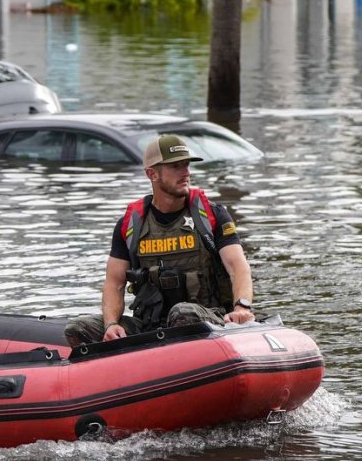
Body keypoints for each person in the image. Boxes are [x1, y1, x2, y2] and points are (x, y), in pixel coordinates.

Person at [64, 134, 255, 346]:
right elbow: (114, 284)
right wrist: (111, 325)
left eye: (186, 165)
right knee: (78, 329)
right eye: (176, 167)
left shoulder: (212, 216)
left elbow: (238, 267)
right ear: (152, 174)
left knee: (182, 313)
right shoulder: (130, 225)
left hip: (208, 319)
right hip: (150, 325)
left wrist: (242, 308)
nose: (186, 173)